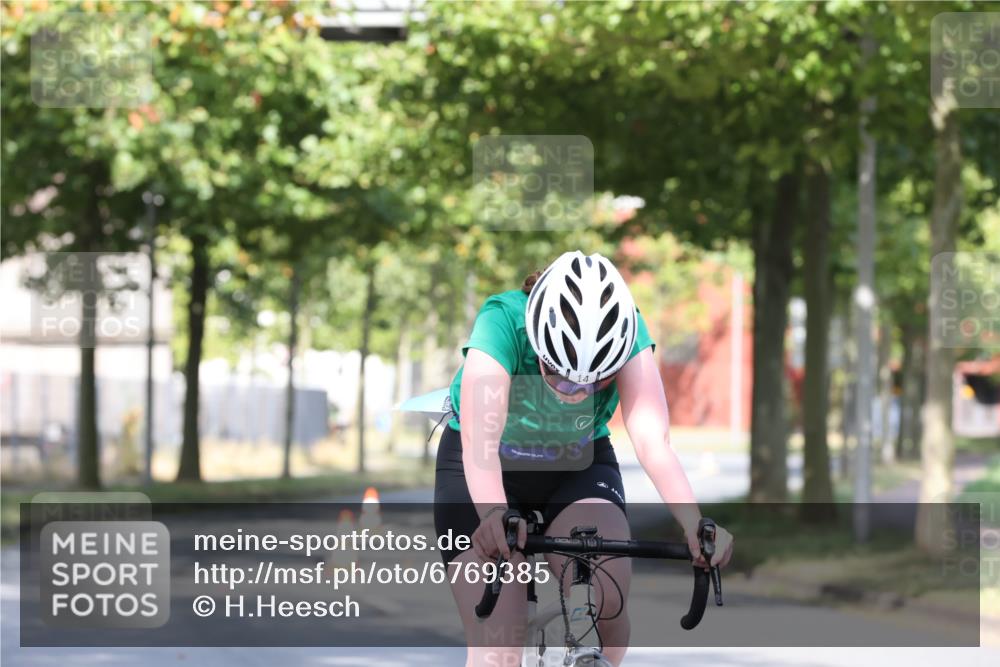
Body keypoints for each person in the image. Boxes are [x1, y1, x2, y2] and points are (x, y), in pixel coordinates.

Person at [434, 250, 733, 667]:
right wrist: (493, 514)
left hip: (576, 463)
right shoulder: (501, 321)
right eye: (558, 376)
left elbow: (653, 442)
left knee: (607, 597)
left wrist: (693, 523)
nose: (575, 392)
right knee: (498, 649)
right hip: (487, 464)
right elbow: (480, 443)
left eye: (596, 381)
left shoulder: (628, 333)